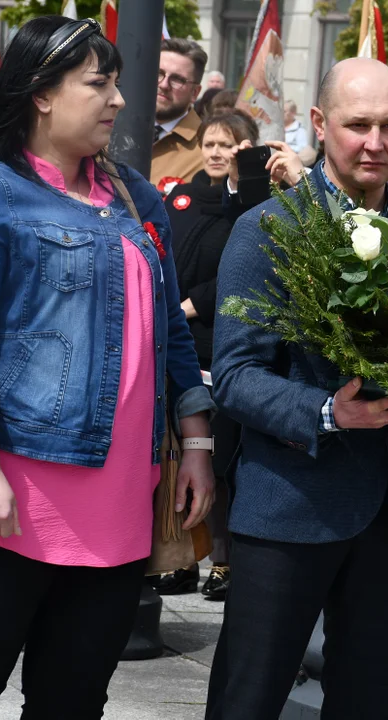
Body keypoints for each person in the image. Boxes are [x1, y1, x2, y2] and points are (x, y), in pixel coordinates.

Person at [0, 17, 215, 716]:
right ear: (43, 95)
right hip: (1, 496)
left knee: (74, 701)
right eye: (99, 83)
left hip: (115, 510)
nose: (118, 99)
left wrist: (197, 441)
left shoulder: (138, 199)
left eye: (116, 82)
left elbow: (170, 326)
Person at [204, 57, 388, 717]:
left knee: (366, 703)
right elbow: (237, 377)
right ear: (321, 125)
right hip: (290, 505)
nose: (375, 142)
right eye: (358, 125)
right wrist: (329, 411)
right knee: (249, 697)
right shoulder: (269, 229)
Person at [149, 109, 266, 600]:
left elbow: (255, 263)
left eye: (230, 145)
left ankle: (224, 559)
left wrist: (194, 303)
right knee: (180, 453)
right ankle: (180, 556)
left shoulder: (254, 202)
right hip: (183, 340)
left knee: (219, 459)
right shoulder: (184, 197)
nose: (218, 153)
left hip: (223, 339)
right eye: (212, 144)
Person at [152, 38, 207, 188]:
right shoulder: (110, 129)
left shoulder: (207, 147)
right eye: (158, 73)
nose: (163, 85)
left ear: (195, 93)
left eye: (177, 79)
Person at [283, 99, 315, 164]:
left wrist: (285, 147)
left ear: (293, 113)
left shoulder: (299, 129)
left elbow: (303, 149)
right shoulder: (279, 127)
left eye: (284, 111)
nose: (281, 114)